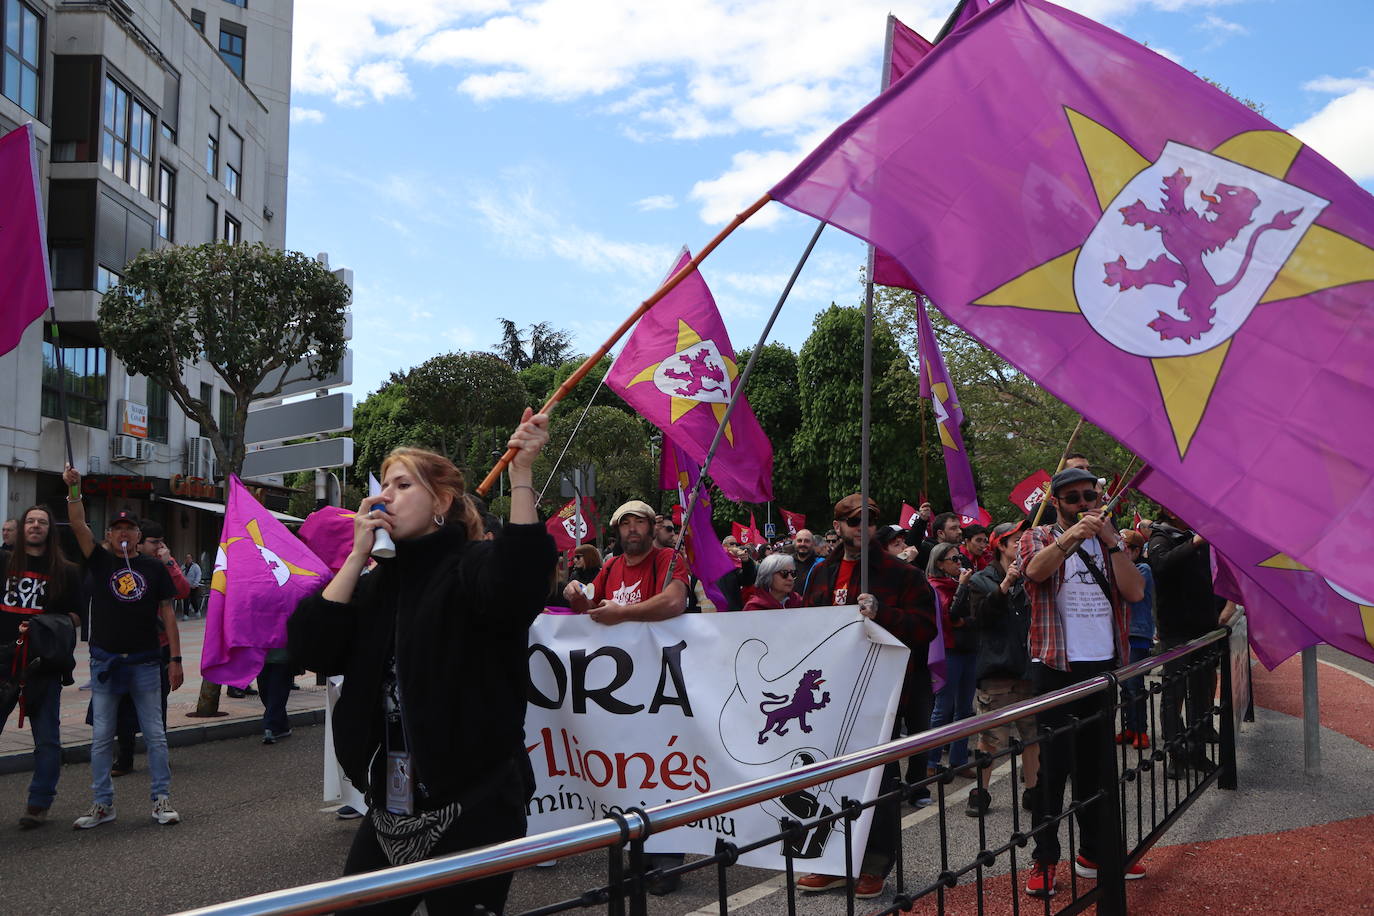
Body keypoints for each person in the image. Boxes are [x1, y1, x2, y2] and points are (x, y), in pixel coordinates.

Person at [288, 411, 556, 915]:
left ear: (443, 502)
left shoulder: (470, 566)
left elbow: (519, 587)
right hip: (390, 806)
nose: (385, 495)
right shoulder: (373, 584)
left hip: (475, 804)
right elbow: (310, 651)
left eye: (403, 484)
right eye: (384, 485)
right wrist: (354, 557)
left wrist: (521, 478)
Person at [798, 494, 938, 899]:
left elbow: (925, 627)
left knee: (878, 778)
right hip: (830, 694)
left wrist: (884, 614)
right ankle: (833, 862)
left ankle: (874, 864)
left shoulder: (902, 575)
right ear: (838, 526)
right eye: (854, 520)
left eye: (870, 520)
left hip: (882, 693)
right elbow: (808, 627)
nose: (862, 527)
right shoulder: (821, 573)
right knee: (828, 778)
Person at [1019, 467, 1145, 897]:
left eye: (1089, 496)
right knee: (1052, 772)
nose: (1083, 504)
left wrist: (1111, 541)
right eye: (1072, 498)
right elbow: (1034, 571)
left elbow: (1135, 593)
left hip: (1103, 666)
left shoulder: (1113, 542)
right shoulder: (1039, 536)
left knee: (1098, 768)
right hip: (1056, 667)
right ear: (1057, 503)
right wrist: (1072, 537)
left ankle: (1097, 852)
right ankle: (1045, 858)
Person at [61, 468, 183, 829]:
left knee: (156, 736)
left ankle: (161, 800)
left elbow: (168, 613)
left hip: (146, 663)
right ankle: (102, 804)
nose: (124, 534)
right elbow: (78, 523)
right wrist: (74, 488)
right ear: (110, 536)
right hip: (106, 663)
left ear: (139, 535)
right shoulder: (99, 561)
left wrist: (175, 659)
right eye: (117, 529)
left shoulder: (153, 567)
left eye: (130, 529)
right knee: (101, 738)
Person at [1, 505, 83, 828]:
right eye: (30, 521)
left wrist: (44, 626)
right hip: (3, 661)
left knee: (47, 738)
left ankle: (39, 803)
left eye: (42, 522)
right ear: (22, 529)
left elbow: (77, 616)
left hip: (43, 664)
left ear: (51, 530)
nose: (36, 526)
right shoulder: (3, 562)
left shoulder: (67, 571)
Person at [963, 521, 1039, 817]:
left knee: (1032, 734)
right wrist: (1004, 586)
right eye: (1016, 541)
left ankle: (1033, 790)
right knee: (990, 738)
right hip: (997, 671)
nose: (1022, 545)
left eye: (1024, 540)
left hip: (1028, 668)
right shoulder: (981, 580)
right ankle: (980, 792)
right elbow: (980, 619)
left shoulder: (1032, 575)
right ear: (1001, 546)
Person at [1147, 509, 1223, 779]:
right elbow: (1161, 565)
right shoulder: (1161, 538)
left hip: (1204, 629)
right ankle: (1175, 754)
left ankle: (1197, 751)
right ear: (1170, 510)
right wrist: (1195, 542)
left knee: (1202, 695)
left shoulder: (1195, 537)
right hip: (1176, 633)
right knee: (1173, 694)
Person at [926, 543, 977, 775]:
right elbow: (952, 615)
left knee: (965, 708)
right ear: (939, 563)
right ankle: (930, 763)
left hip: (968, 648)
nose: (959, 563)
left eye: (960, 558)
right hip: (949, 650)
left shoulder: (960, 583)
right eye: (953, 559)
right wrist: (963, 588)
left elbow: (973, 616)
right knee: (943, 708)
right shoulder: (935, 587)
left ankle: (958, 760)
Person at [1117, 530, 1155, 748]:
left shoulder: (1143, 568)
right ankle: (1129, 727)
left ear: (1136, 550)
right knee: (1124, 686)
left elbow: (1129, 591)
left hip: (1137, 633)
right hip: (1123, 632)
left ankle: (1141, 730)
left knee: (1134, 684)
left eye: (1125, 548)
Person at [714, 534, 756, 612]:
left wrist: (746, 561)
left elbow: (748, 581)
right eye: (731, 544)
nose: (734, 546)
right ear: (723, 545)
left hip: (731, 612)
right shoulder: (714, 558)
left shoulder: (737, 564)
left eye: (736, 544)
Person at [791, 529, 825, 596]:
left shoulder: (822, 564)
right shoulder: (787, 564)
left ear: (813, 544)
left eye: (807, 541)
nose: (803, 544)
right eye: (799, 541)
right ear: (795, 543)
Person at [181, 553, 203, 620]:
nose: (188, 559)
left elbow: (198, 575)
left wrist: (195, 583)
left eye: (189, 558)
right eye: (187, 558)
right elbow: (180, 575)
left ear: (191, 559)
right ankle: (186, 615)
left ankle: (197, 612)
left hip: (193, 586)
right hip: (186, 586)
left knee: (193, 600)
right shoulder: (183, 567)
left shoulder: (195, 566)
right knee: (186, 600)